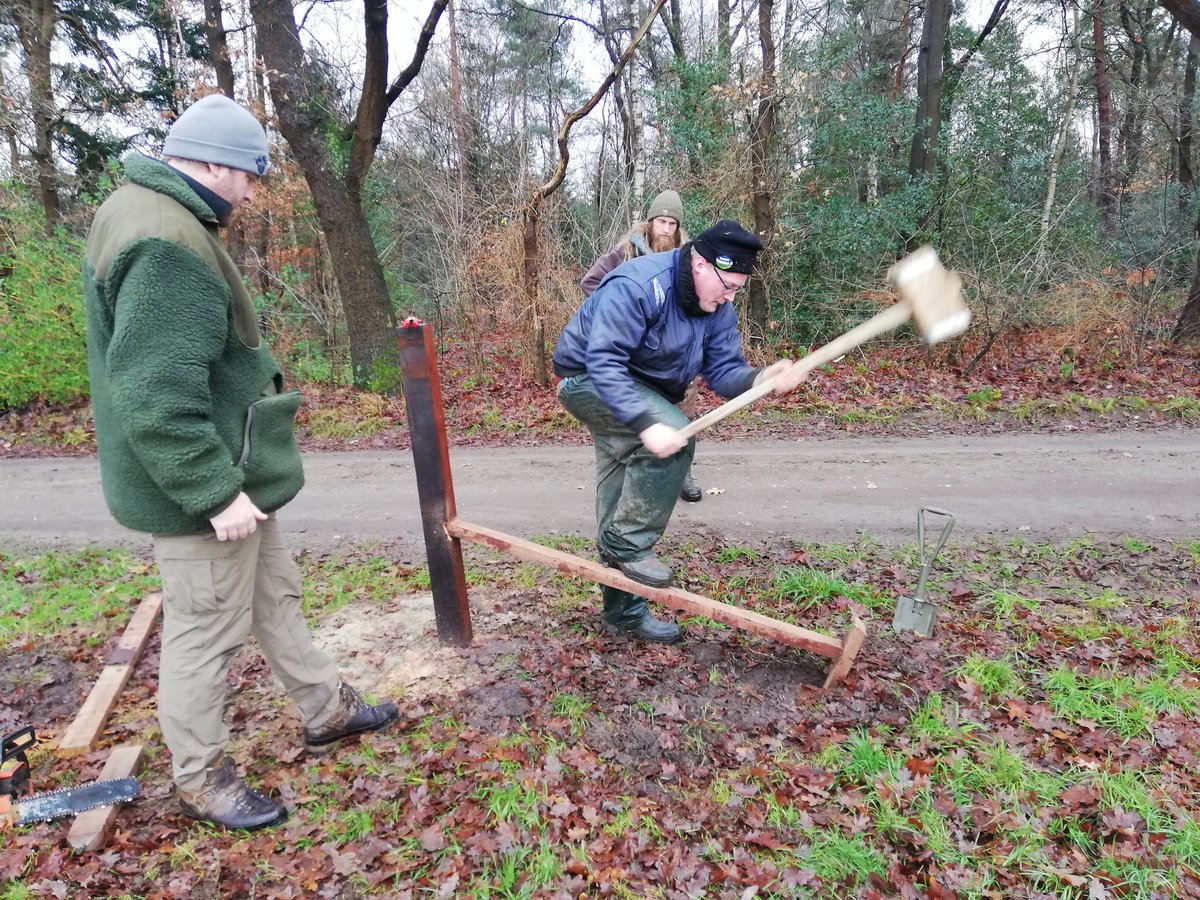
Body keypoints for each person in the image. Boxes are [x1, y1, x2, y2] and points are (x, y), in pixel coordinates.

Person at [82, 94, 399, 831]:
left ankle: (326, 709)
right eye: (249, 177)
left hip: (232, 472)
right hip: (204, 487)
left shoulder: (144, 209)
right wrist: (215, 492)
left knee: (274, 594)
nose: (253, 193)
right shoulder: (166, 243)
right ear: (212, 165)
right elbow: (158, 396)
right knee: (204, 633)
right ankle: (201, 780)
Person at [553, 219, 807, 643]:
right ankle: (629, 543)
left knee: (618, 502)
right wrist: (646, 423)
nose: (729, 297)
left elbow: (724, 372)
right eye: (727, 285)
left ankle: (624, 612)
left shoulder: (717, 309)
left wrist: (761, 378)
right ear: (701, 265)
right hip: (589, 381)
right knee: (675, 437)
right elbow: (604, 362)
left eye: (737, 290)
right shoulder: (638, 286)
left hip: (639, 391)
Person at [580, 190, 706, 503]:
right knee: (638, 411)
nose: (666, 228)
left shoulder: (689, 259)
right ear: (649, 223)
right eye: (661, 221)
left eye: (672, 223)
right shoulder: (625, 253)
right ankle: (634, 470)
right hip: (638, 351)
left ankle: (682, 473)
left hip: (676, 349)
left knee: (683, 409)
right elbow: (591, 283)